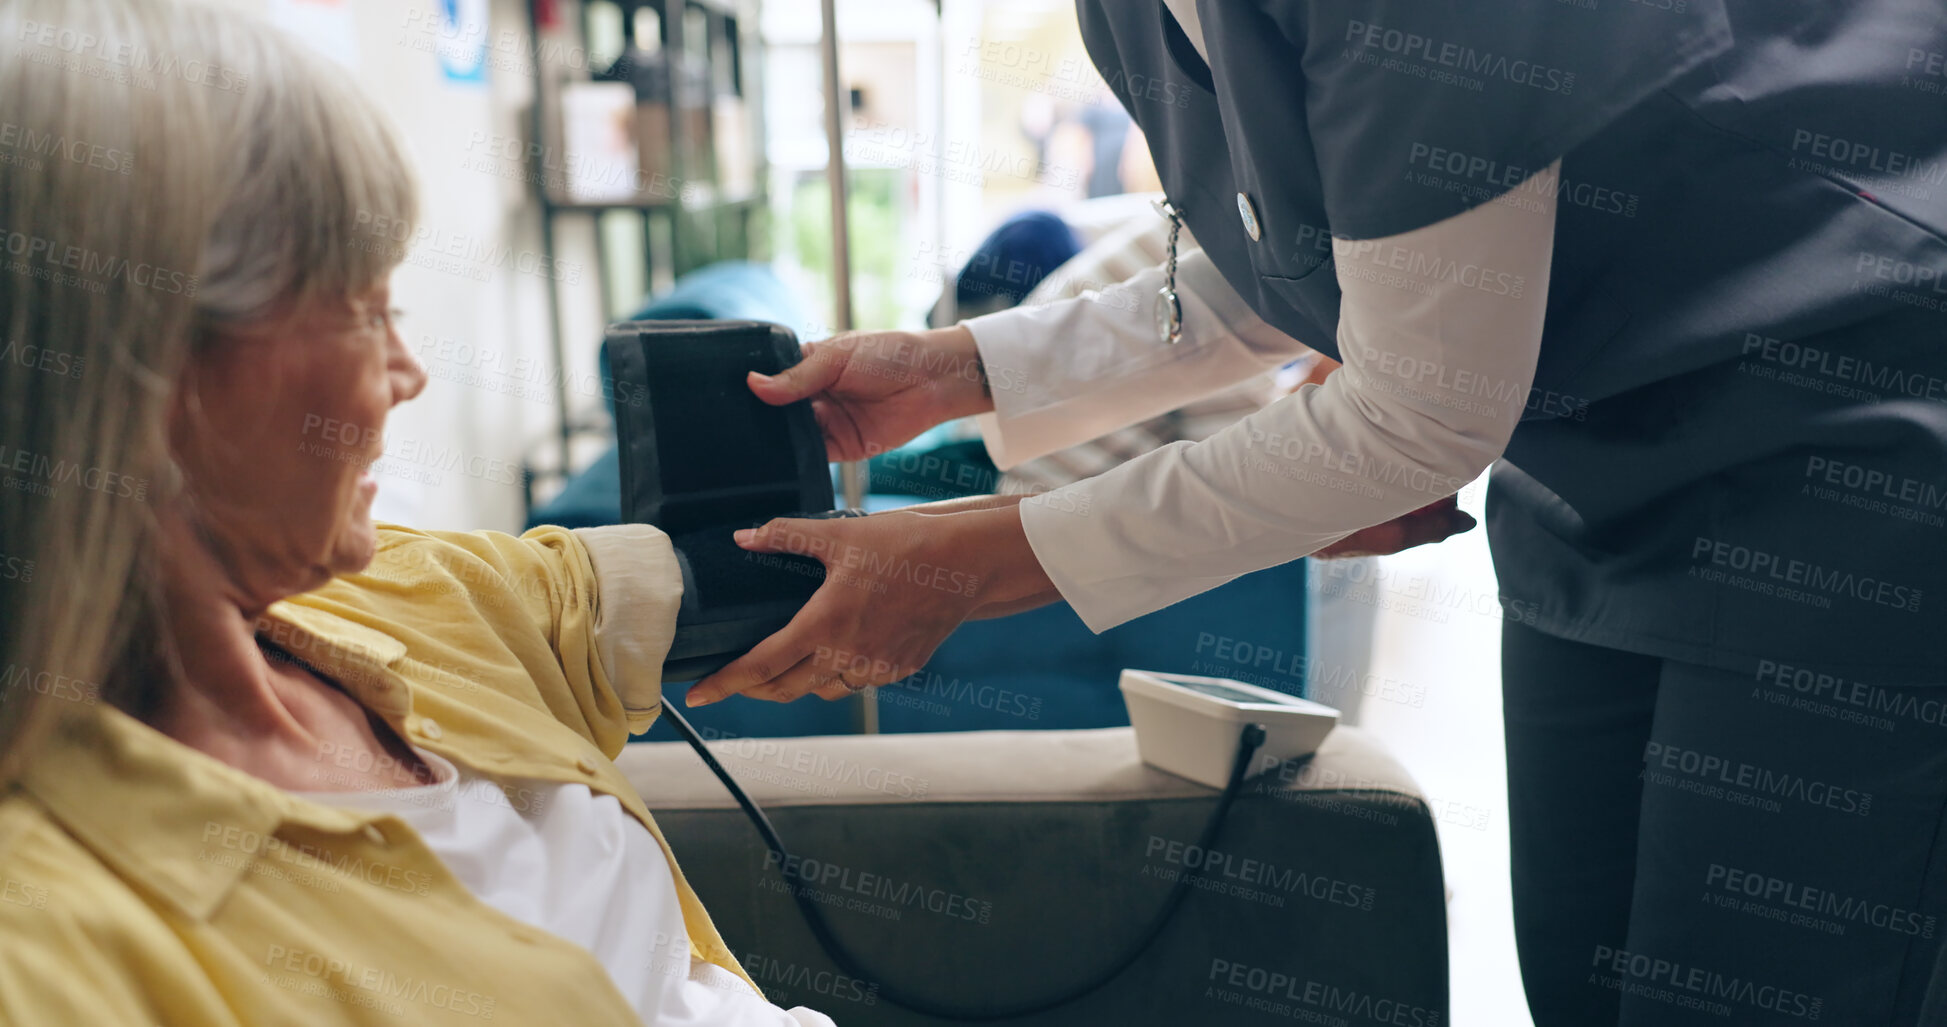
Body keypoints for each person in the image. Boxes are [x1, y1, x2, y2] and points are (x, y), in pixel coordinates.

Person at [690, 2, 1947, 1024]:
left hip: (1839, 448)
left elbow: (1418, 415)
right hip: (1592, 475)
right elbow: (1295, 254)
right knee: (1582, 972)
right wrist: (959, 372)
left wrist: (973, 564)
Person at [0, 3, 829, 1024]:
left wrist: (958, 405)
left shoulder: (385, 593)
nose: (409, 373)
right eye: (364, 311)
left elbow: (759, 570)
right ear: (157, 379)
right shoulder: (51, 943)